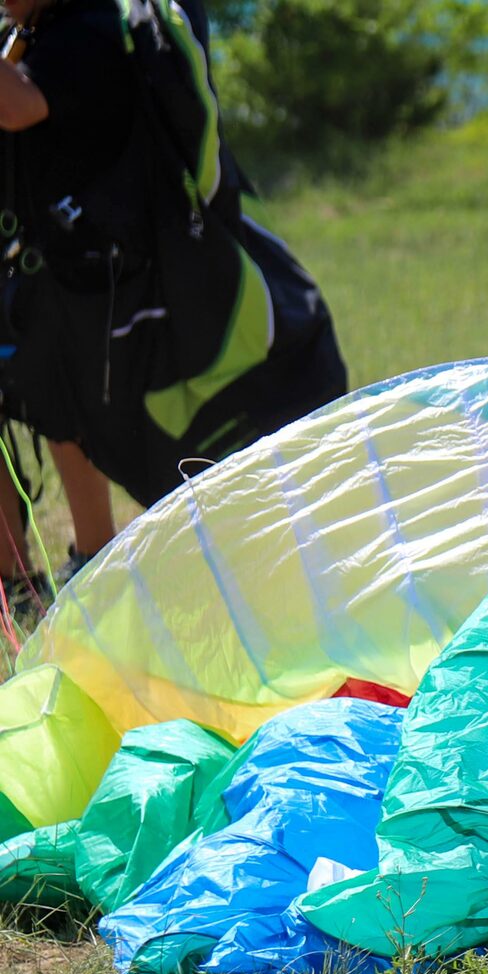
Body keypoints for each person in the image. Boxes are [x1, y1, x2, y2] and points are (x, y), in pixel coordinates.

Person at [0, 0, 347, 612]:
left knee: (87, 420)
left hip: (117, 284)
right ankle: (45, 575)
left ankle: (98, 565)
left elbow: (17, 105)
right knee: (59, 408)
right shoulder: (36, 33)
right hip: (72, 276)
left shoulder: (89, 27)